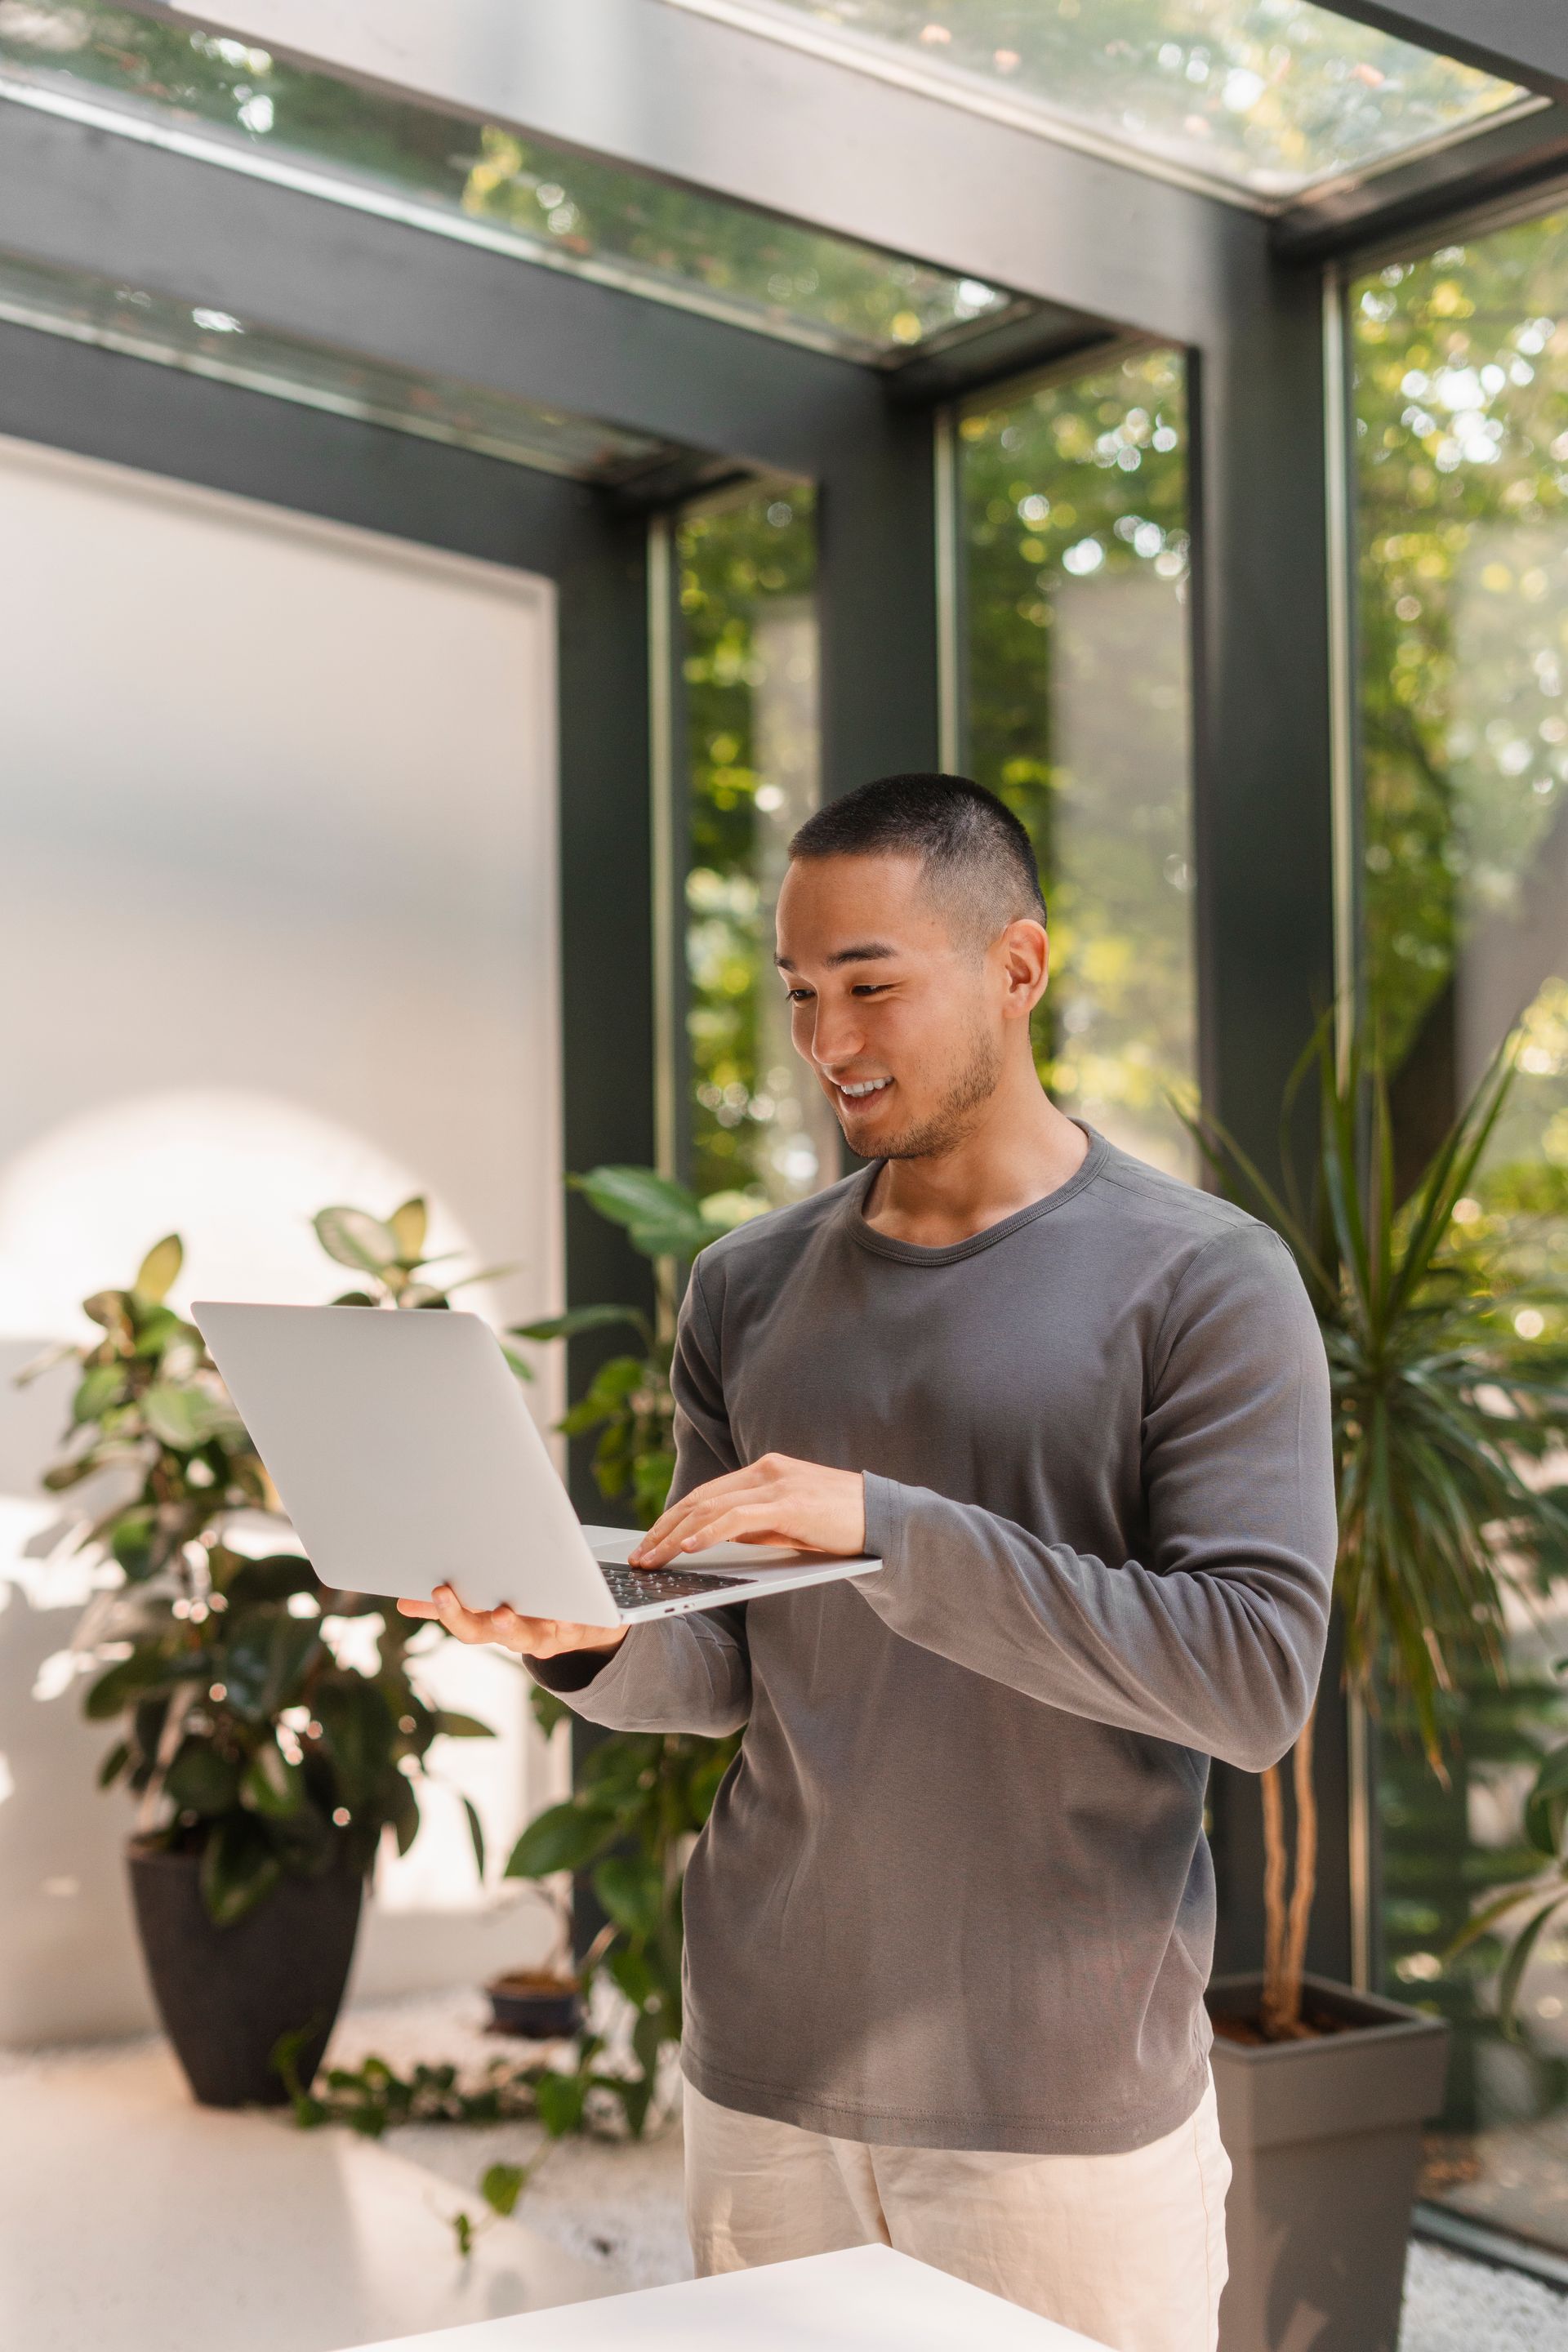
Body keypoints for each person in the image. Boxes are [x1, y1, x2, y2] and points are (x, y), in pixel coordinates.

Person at [399, 773, 1336, 2352]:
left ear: (1018, 968)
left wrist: (891, 1529)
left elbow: (1250, 1682)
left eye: (872, 987)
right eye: (800, 995)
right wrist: (576, 1636)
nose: (829, 1042)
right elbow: (720, 1667)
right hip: (765, 2069)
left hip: (1056, 2099)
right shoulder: (746, 1287)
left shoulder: (1208, 1282)